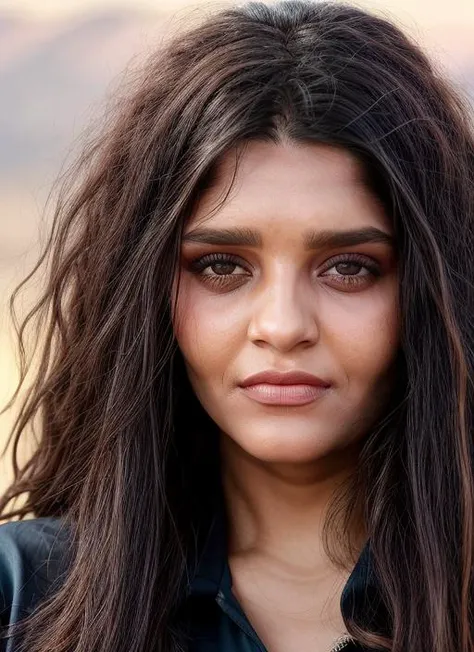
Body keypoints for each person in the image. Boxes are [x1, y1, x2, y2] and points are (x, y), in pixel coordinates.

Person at [0, 0, 473, 650]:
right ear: (147, 291)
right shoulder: (20, 597)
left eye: (349, 268)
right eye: (222, 265)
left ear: (433, 287)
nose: (282, 326)